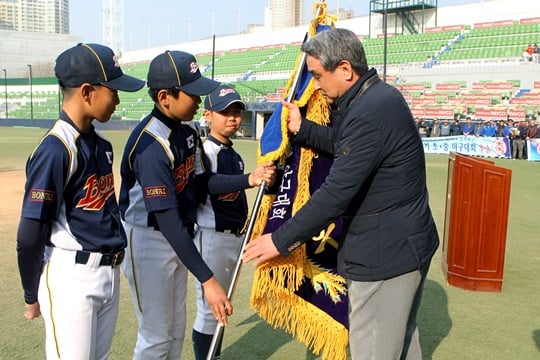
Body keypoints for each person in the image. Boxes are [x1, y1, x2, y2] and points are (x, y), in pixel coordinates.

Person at [242, 28, 439, 360]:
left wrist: (278, 239)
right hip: (402, 247)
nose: (316, 85)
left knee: (375, 351)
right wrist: (303, 129)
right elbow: (347, 146)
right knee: (400, 346)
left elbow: (336, 193)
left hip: (385, 256)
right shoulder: (376, 98)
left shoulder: (371, 110)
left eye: (318, 75)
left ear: (345, 70)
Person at [119, 50, 275, 359]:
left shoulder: (188, 130)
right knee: (155, 336)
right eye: (192, 93)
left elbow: (202, 183)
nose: (199, 99)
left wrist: (249, 180)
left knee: (174, 331)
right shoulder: (151, 144)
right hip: (148, 239)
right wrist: (208, 278)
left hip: (176, 234)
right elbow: (165, 217)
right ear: (165, 97)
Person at [16, 43, 145, 359]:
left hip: (107, 274)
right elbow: (30, 232)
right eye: (112, 90)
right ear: (87, 92)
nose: (117, 99)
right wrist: (31, 293)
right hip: (72, 278)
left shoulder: (100, 145)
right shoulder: (56, 149)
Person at [192, 84, 248, 360]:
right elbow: (207, 185)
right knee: (209, 309)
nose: (232, 118)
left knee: (222, 308)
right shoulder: (204, 151)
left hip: (234, 238)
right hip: (211, 236)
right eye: (224, 112)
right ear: (207, 115)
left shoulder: (234, 155)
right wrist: (250, 179)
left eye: (236, 112)